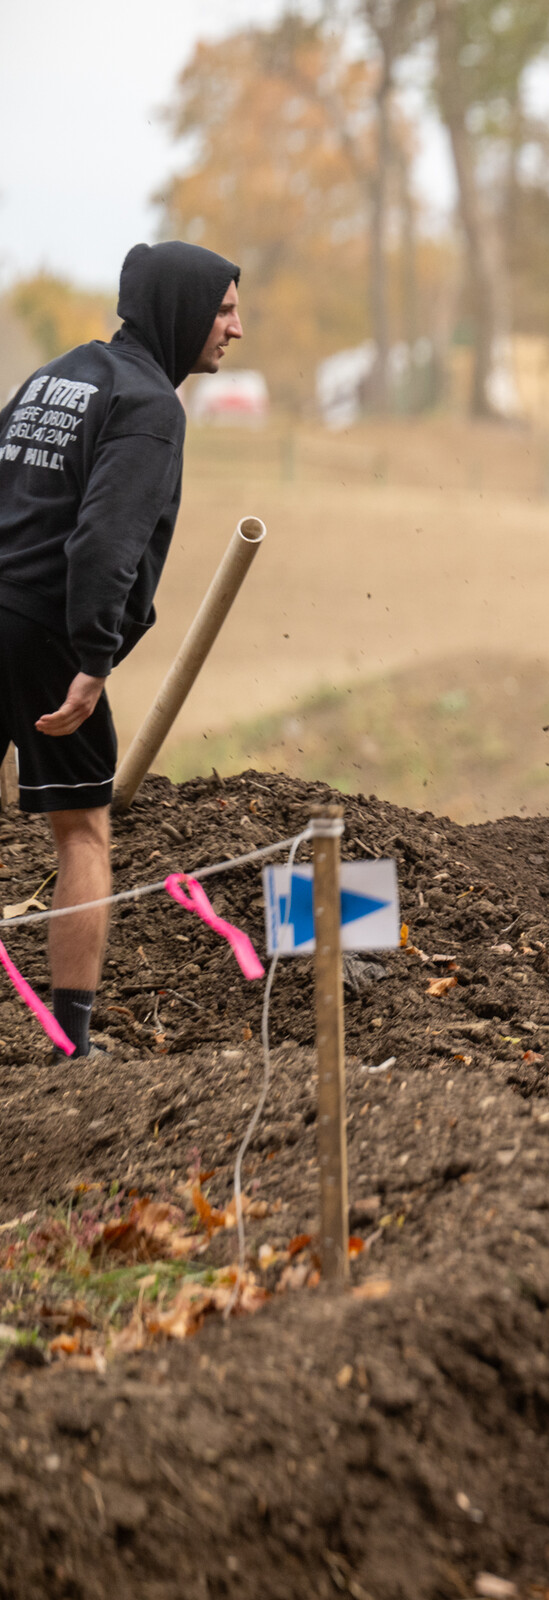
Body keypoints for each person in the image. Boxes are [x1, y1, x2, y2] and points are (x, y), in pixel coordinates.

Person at [0, 241, 242, 1058]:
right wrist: (93, 661)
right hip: (42, 628)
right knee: (83, 829)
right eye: (226, 308)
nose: (236, 329)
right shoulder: (150, 405)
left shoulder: (55, 374)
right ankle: (71, 1042)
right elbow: (104, 544)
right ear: (181, 309)